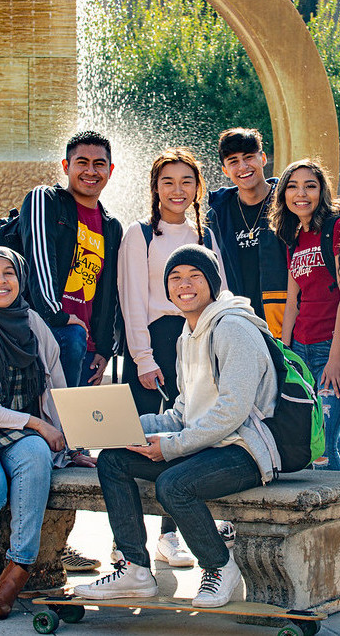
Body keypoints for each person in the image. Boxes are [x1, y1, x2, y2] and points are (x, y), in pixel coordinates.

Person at [74, 244, 280, 608]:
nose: (184, 284)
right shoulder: (189, 334)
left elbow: (232, 412)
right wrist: (124, 427)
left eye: (194, 276)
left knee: (175, 485)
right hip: (208, 447)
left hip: (246, 451)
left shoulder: (233, 328)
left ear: (212, 283)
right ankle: (135, 569)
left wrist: (170, 446)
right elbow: (183, 413)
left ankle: (220, 567)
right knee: (113, 459)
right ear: (168, 290)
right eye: (175, 278)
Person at [117, 147, 227, 567]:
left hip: (196, 338)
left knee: (188, 437)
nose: (177, 190)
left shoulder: (205, 234)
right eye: (168, 182)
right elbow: (132, 300)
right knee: (140, 441)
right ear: (155, 188)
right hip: (154, 341)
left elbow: (220, 291)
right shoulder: (140, 233)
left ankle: (169, 535)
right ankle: (126, 545)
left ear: (198, 188)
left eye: (186, 181)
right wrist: (143, 357)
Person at [0, 247, 68, 619]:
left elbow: (54, 387)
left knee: (37, 455)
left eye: (9, 273)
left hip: (20, 436)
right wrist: (37, 424)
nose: (1, 281)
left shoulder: (32, 322)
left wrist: (68, 440)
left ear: (21, 279)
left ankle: (17, 570)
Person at [19, 130, 123, 389]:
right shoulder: (45, 200)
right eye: (82, 163)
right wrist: (57, 315)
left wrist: (104, 348)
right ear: (66, 166)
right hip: (50, 333)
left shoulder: (111, 226)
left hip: (87, 348)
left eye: (99, 164)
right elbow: (39, 259)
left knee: (79, 428)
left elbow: (107, 293)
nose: (91, 171)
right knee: (54, 423)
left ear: (109, 170)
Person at [269, 159, 340, 470]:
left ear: (321, 191)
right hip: (301, 348)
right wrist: (285, 354)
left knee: (327, 446)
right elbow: (293, 300)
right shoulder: (295, 237)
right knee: (312, 442)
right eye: (293, 186)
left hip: (330, 348)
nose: (301, 193)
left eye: (310, 186)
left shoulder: (334, 228)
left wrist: (335, 359)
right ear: (284, 194)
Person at [206, 127, 288, 338]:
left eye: (249, 157)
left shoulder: (287, 205)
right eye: (233, 161)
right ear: (225, 170)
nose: (243, 167)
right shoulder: (217, 215)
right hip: (240, 326)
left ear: (262, 159)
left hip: (286, 324)